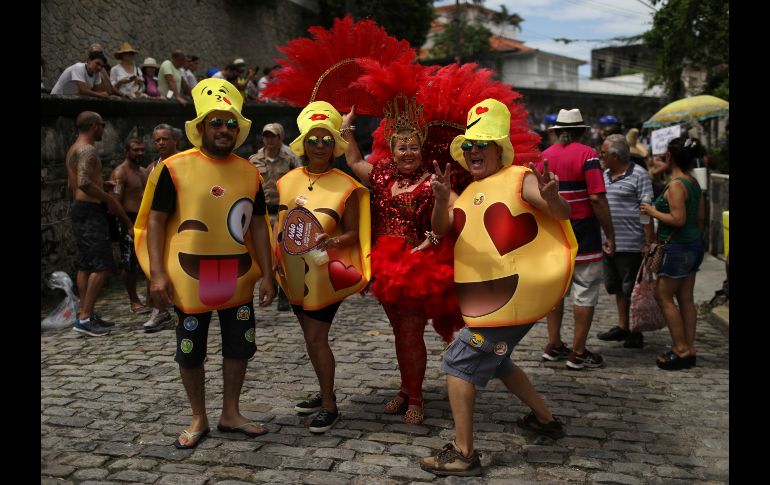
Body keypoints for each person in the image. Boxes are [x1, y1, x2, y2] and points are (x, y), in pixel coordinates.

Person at [420, 99, 576, 476]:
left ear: (499, 148)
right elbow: (442, 228)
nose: (474, 151)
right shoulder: (471, 192)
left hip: (511, 300)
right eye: (469, 145)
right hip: (486, 301)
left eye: (482, 144)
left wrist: (553, 197)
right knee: (499, 361)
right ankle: (544, 419)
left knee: (459, 363)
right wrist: (442, 200)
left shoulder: (520, 176)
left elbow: (558, 212)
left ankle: (464, 452)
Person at [133, 78, 276, 449]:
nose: (224, 129)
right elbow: (156, 221)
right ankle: (198, 416)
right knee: (190, 349)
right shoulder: (174, 168)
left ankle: (231, 412)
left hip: (239, 278)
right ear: (200, 126)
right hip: (189, 283)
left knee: (240, 346)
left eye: (231, 123)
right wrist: (157, 275)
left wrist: (269, 274)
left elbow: (260, 226)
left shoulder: (249, 172)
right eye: (216, 122)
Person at [341, 95, 463, 424]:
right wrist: (346, 127)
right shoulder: (381, 175)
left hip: (414, 269)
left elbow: (450, 218)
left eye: (413, 148)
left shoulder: (431, 183)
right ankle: (406, 387)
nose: (407, 154)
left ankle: (417, 397)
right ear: (392, 150)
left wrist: (437, 217)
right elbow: (353, 161)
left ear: (422, 150)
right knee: (398, 332)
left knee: (410, 334)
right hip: (384, 268)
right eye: (401, 148)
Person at [275, 101, 370, 433]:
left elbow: (355, 232)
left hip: (325, 275)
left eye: (326, 140)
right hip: (292, 274)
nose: (319, 146)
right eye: (313, 139)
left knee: (316, 339)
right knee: (309, 338)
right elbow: (280, 224)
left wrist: (334, 242)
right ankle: (323, 389)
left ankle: (330, 405)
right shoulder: (286, 181)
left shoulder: (347, 186)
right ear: (303, 143)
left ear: (335, 145)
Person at [538, 108, 615, 370]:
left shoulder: (544, 157)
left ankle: (554, 344)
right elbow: (596, 198)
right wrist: (610, 233)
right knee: (584, 290)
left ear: (557, 131)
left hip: (552, 233)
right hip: (583, 231)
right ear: (582, 131)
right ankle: (578, 352)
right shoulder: (588, 155)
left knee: (555, 292)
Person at [66, 111, 134, 336]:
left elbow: (74, 184)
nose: (104, 129)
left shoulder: (73, 149)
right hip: (91, 211)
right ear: (95, 126)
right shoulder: (88, 150)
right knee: (102, 265)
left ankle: (86, 313)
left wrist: (101, 184)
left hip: (80, 210)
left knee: (86, 264)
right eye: (102, 125)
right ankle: (85, 319)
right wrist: (107, 198)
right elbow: (84, 183)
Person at [640, 137, 705, 370]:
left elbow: (678, 219)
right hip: (693, 245)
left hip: (677, 248)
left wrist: (651, 211)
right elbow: (699, 219)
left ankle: (680, 349)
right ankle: (689, 347)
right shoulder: (693, 182)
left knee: (663, 296)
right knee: (686, 298)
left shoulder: (677, 185)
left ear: (670, 157)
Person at [595, 134, 654, 349]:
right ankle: (623, 326)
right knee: (616, 287)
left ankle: (636, 330)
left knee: (632, 289)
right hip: (608, 242)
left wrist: (648, 240)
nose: (600, 155)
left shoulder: (639, 175)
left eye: (603, 152)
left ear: (614, 155)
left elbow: (645, 208)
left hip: (631, 243)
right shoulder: (604, 174)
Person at [248, 122, 301, 311]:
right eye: (266, 136)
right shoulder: (254, 160)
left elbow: (299, 181)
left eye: (273, 136)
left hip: (282, 211)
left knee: (282, 253)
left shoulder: (290, 159)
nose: (269, 140)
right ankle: (273, 284)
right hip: (261, 214)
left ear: (281, 138)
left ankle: (284, 292)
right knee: (267, 253)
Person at [141, 123, 181, 332]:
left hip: (180, 225)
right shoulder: (153, 167)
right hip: (158, 224)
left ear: (175, 141)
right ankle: (160, 309)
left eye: (165, 138)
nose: (161, 143)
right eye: (157, 140)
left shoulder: (184, 163)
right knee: (153, 265)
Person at [110, 137, 151, 315]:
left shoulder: (143, 171)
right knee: (129, 263)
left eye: (142, 149)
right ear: (127, 152)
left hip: (145, 220)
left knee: (149, 259)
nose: (140, 153)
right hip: (128, 219)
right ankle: (134, 300)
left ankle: (150, 298)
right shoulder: (120, 173)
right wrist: (128, 224)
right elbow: (114, 202)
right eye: (136, 150)